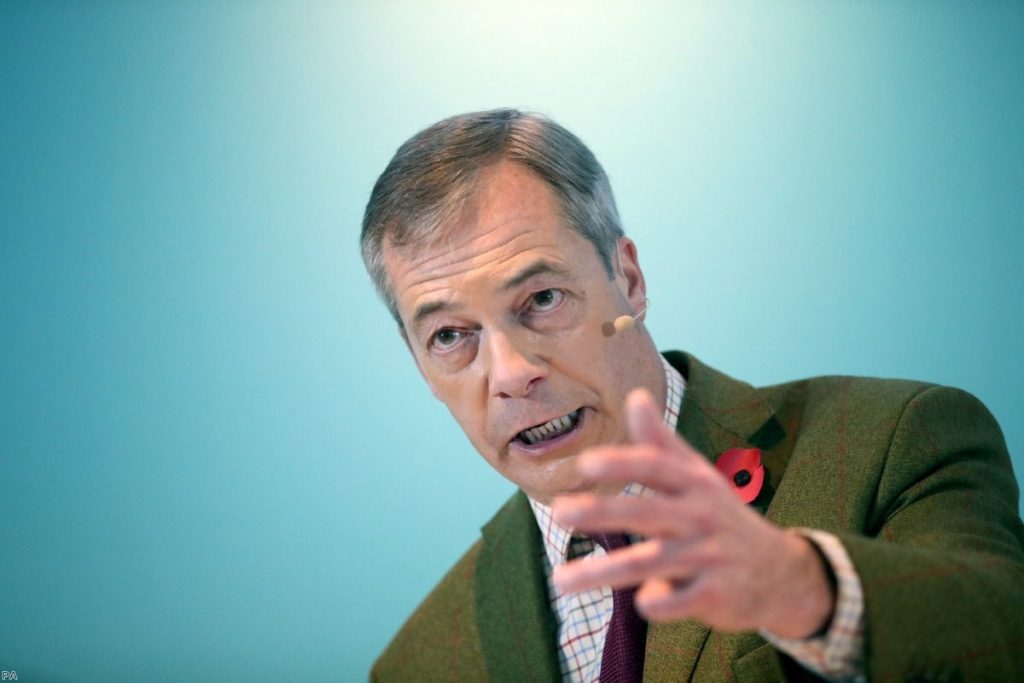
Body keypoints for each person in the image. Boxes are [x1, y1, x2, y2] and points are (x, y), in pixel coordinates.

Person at [361, 109, 1024, 682]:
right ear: (421, 367)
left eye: (540, 299)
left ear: (629, 277)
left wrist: (805, 590)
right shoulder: (419, 661)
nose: (509, 373)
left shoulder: (897, 440)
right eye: (451, 335)